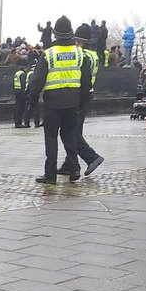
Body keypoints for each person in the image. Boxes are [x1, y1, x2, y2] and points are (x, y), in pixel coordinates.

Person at [30, 16, 90, 183]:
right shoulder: (80, 53)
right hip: (73, 101)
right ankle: (74, 168)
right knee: (70, 135)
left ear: (55, 34)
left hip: (53, 102)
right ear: (71, 33)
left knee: (51, 137)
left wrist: (32, 99)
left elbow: (37, 80)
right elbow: (86, 81)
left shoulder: (48, 54)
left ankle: (50, 175)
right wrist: (83, 101)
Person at [59, 24, 104, 178]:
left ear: (77, 39)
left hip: (77, 94)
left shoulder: (80, 54)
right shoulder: (94, 55)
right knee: (75, 129)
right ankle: (69, 163)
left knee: (71, 131)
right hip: (88, 94)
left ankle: (92, 157)